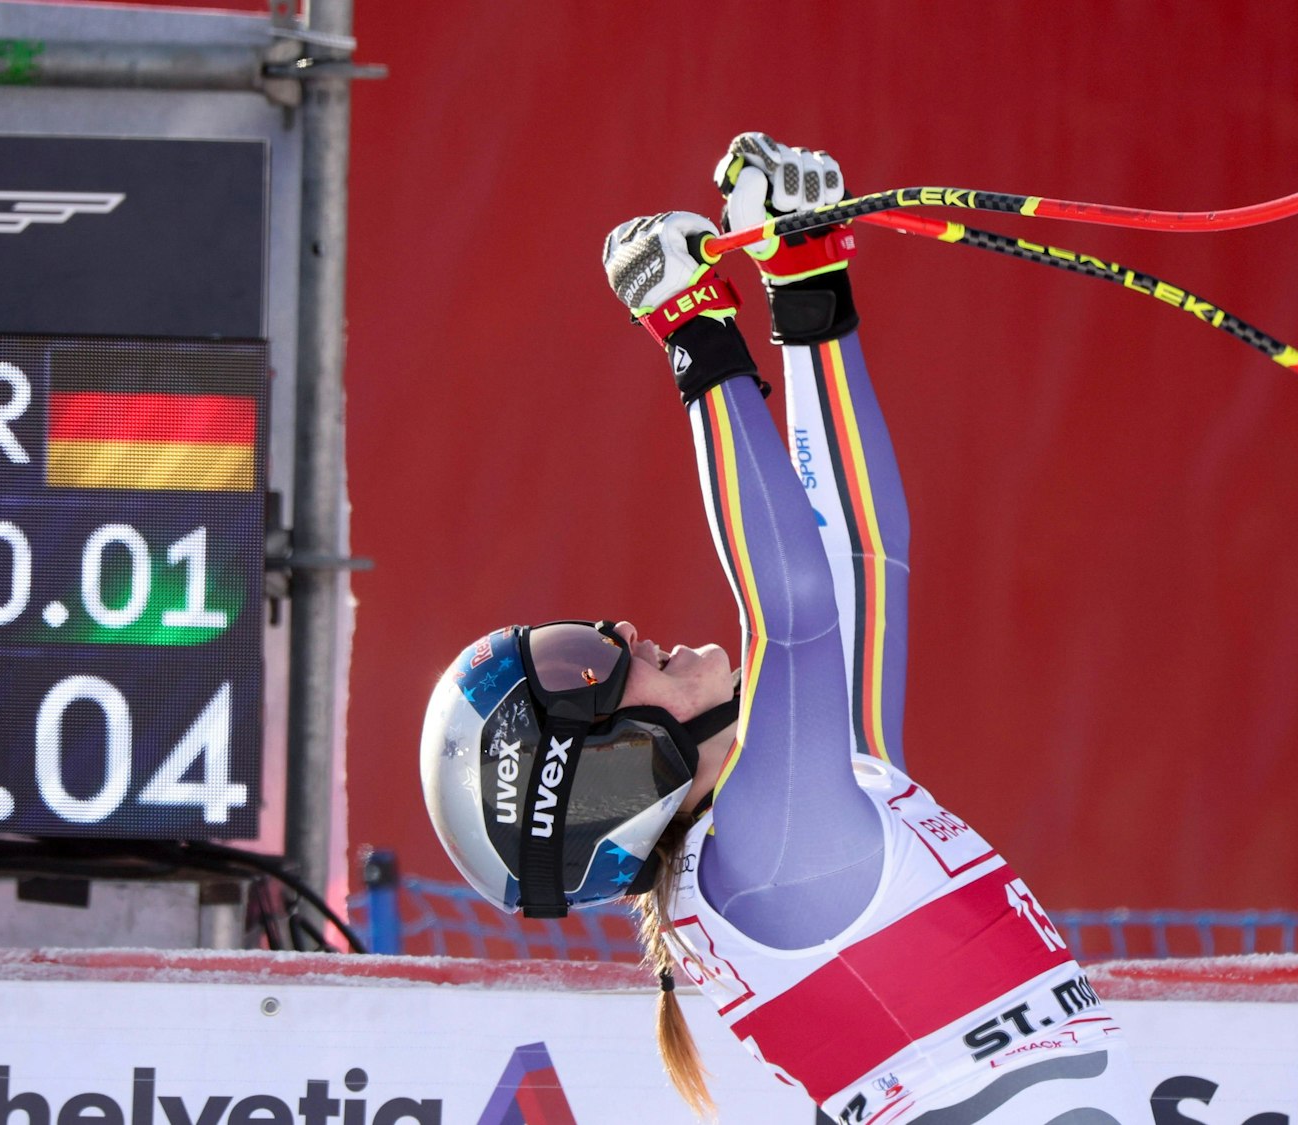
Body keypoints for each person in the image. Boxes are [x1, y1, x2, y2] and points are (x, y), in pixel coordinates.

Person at [421, 134, 1149, 1124]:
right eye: (584, 666)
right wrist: (693, 335)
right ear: (605, 772)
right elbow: (793, 611)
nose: (621, 630)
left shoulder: (782, 824)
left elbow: (859, 565)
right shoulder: (762, 846)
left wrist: (807, 291)